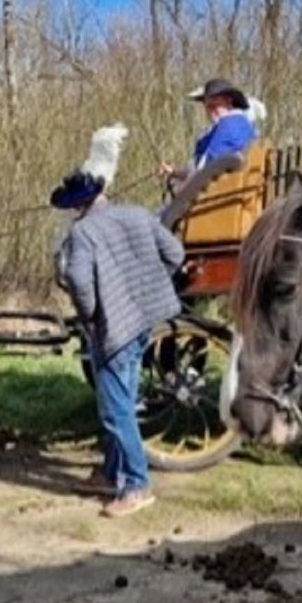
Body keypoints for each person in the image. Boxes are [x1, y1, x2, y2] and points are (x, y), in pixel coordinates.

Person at [54, 126, 186, 517]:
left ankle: (136, 485)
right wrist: (145, 281)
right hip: (146, 321)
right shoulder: (138, 214)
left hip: (113, 329)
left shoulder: (83, 233)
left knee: (116, 410)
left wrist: (90, 313)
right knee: (122, 400)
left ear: (78, 204)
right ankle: (112, 472)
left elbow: (78, 280)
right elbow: (175, 254)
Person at [159, 77, 260, 194]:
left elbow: (206, 171)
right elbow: (199, 164)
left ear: (228, 101)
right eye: (208, 107)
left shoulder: (230, 125)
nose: (211, 112)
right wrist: (174, 173)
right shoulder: (220, 129)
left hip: (222, 196)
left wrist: (178, 187)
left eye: (215, 105)